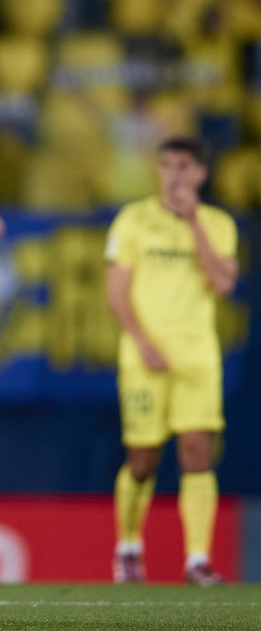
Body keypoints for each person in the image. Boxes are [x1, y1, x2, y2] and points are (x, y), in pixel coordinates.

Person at [105, 136, 237, 586]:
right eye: (166, 165)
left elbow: (222, 283)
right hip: (145, 356)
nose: (174, 174)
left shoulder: (217, 223)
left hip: (197, 357)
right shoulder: (134, 219)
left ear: (201, 173)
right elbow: (116, 291)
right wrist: (142, 342)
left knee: (197, 452)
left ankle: (198, 559)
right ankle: (128, 548)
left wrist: (193, 219)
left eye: (184, 166)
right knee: (143, 457)